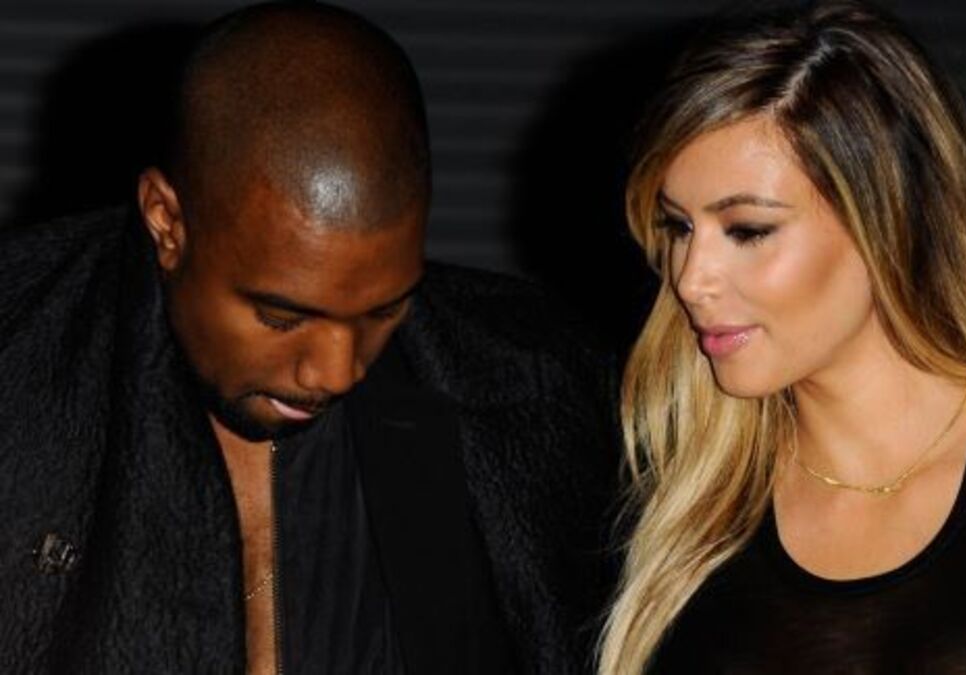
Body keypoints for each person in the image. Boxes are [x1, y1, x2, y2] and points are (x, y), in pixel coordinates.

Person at [0, 3, 617, 673]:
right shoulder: (21, 355)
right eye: (282, 316)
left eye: (384, 310)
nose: (337, 371)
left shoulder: (535, 383)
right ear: (167, 221)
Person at [597, 1, 966, 672]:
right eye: (679, 227)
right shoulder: (673, 518)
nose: (690, 279)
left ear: (888, 220)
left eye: (748, 230)